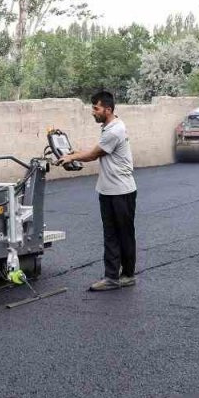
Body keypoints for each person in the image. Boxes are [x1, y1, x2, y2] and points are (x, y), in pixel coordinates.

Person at [54, 90, 137, 292]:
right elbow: (97, 150)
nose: (93, 112)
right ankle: (126, 275)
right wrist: (75, 153)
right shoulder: (112, 126)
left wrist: (72, 158)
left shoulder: (114, 131)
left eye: (96, 108)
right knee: (119, 234)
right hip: (111, 190)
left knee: (116, 235)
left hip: (120, 192)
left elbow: (94, 154)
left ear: (108, 110)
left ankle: (114, 277)